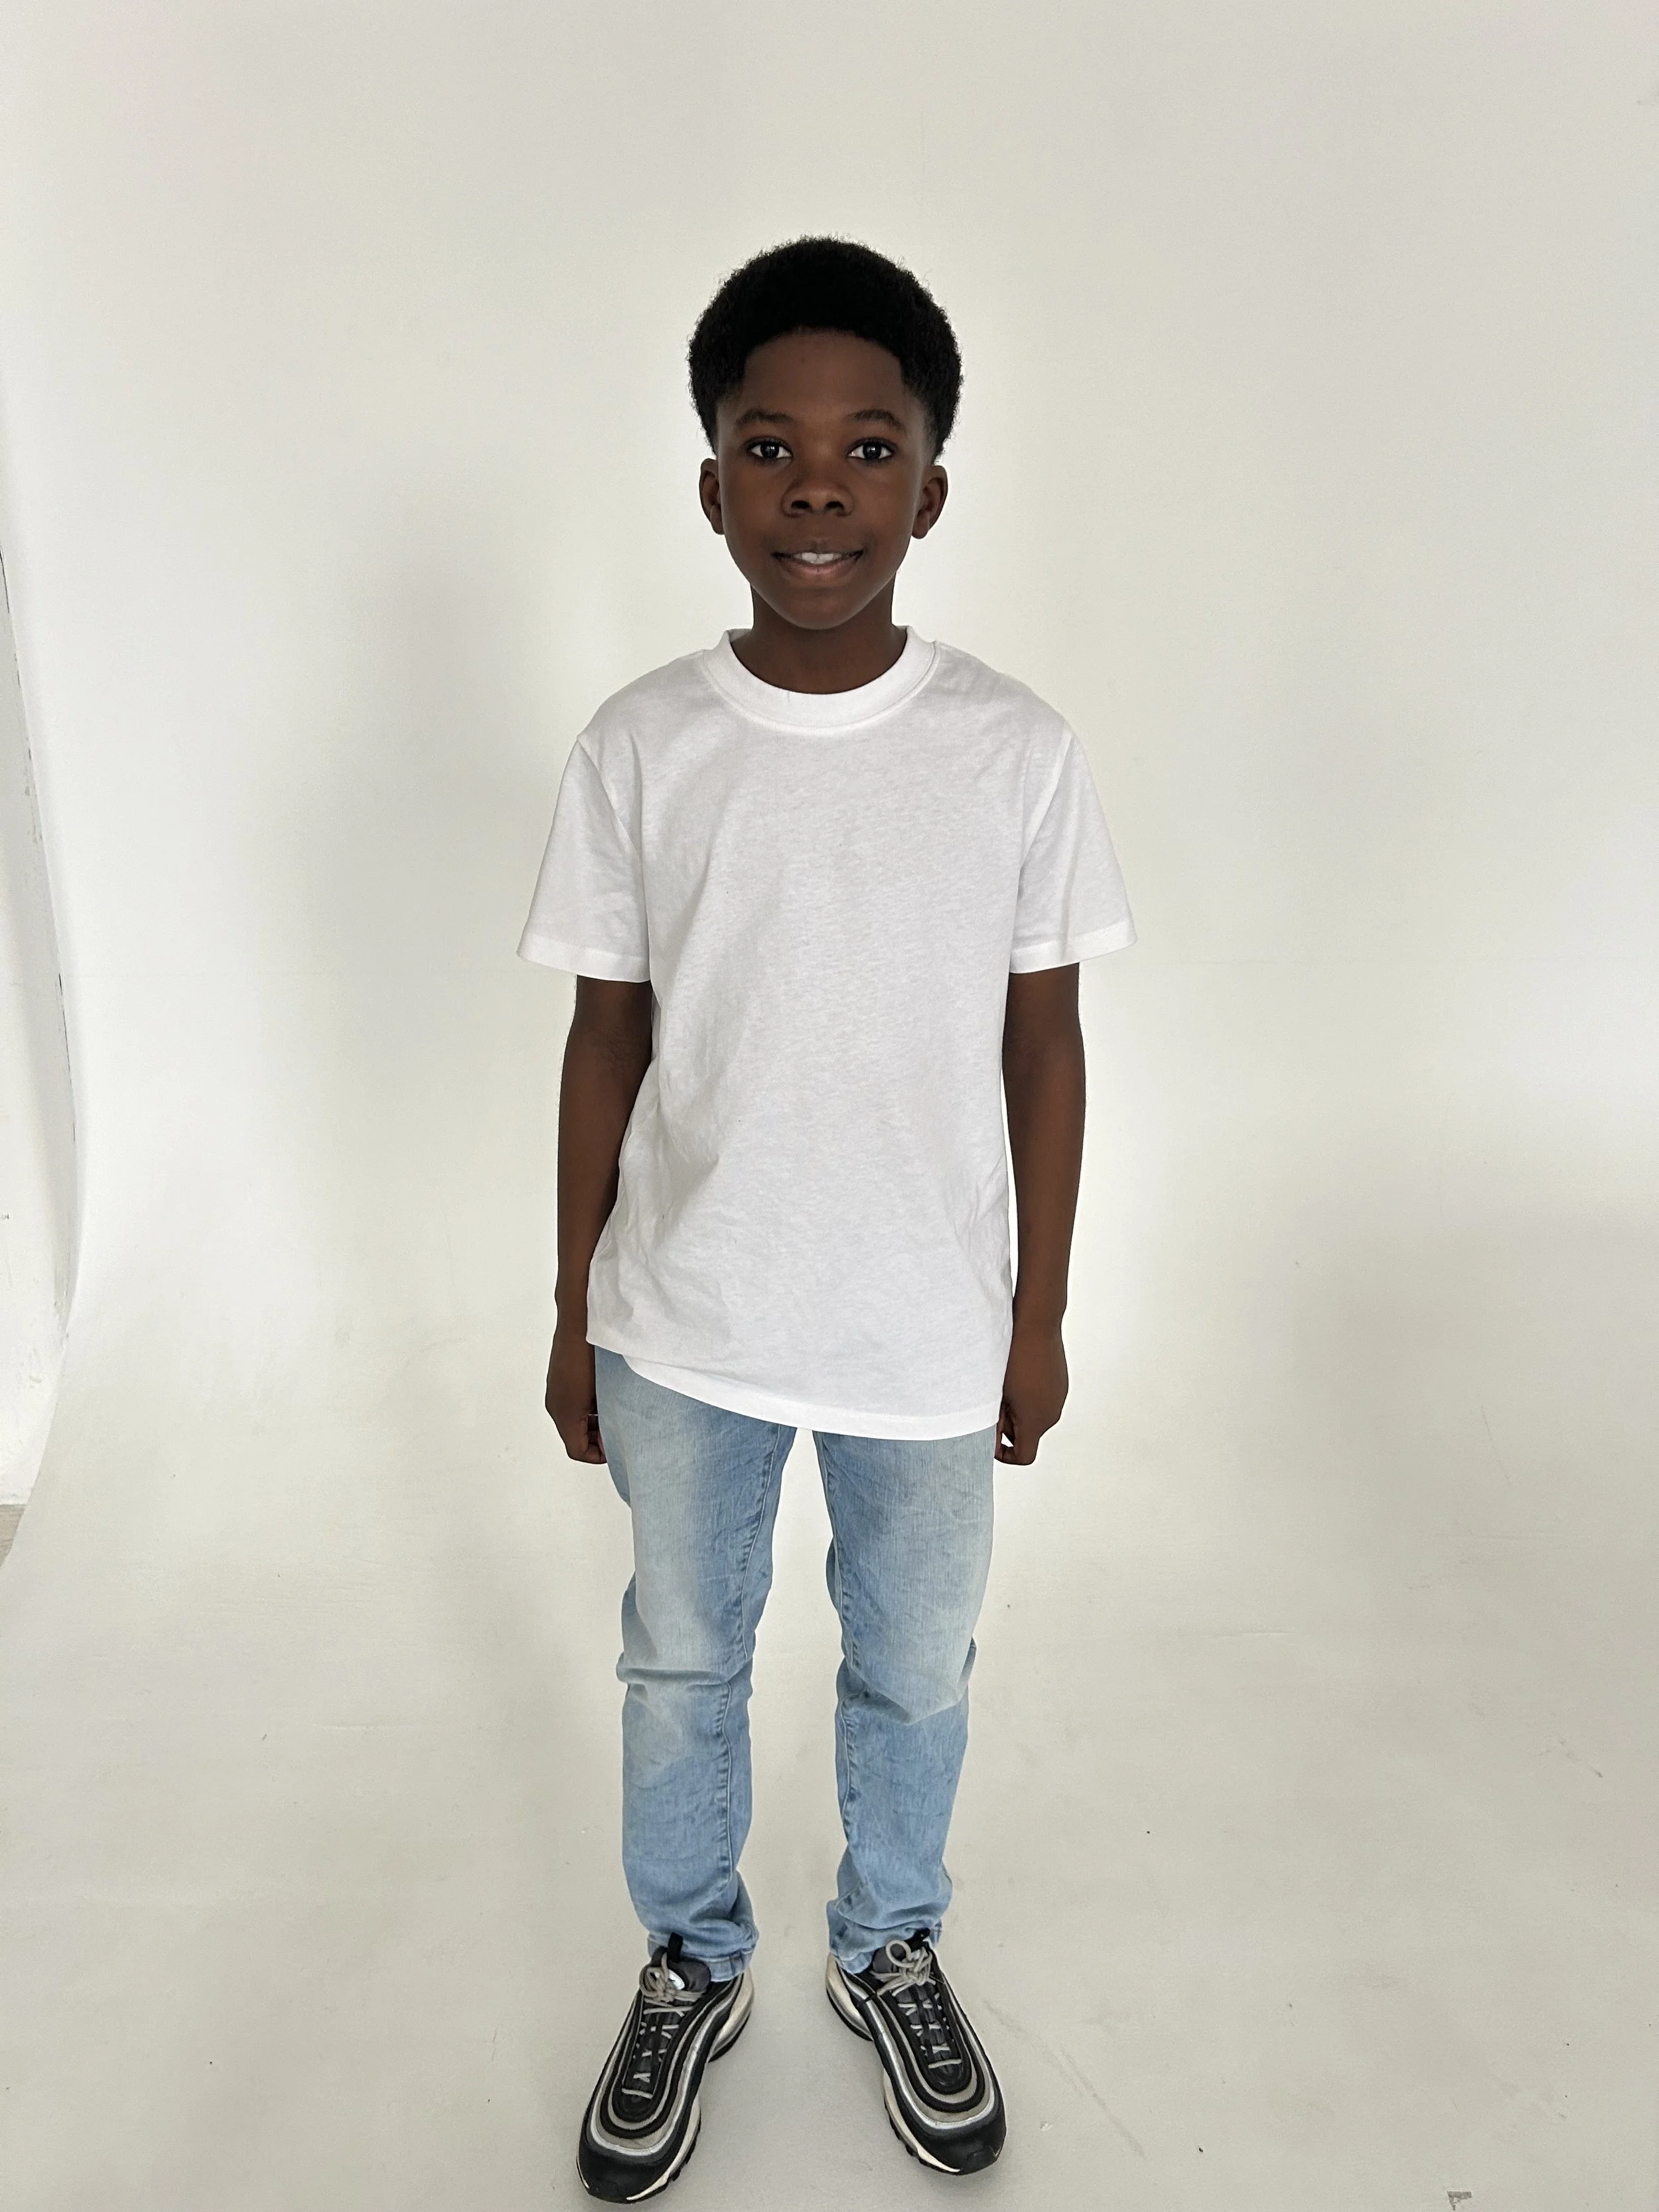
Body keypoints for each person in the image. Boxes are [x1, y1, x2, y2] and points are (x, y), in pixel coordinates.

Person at [518, 235, 1135, 2201]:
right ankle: (694, 1950)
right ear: (708, 484)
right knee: (681, 1657)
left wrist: (1032, 1314)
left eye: (866, 448)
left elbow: (1044, 1047)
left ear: (928, 491)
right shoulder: (642, 742)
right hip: (686, 1312)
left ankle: (886, 1942)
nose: (815, 485)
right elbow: (605, 1043)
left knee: (914, 1660)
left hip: (923, 1333)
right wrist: (568, 1311)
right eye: (766, 446)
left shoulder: (1010, 748)